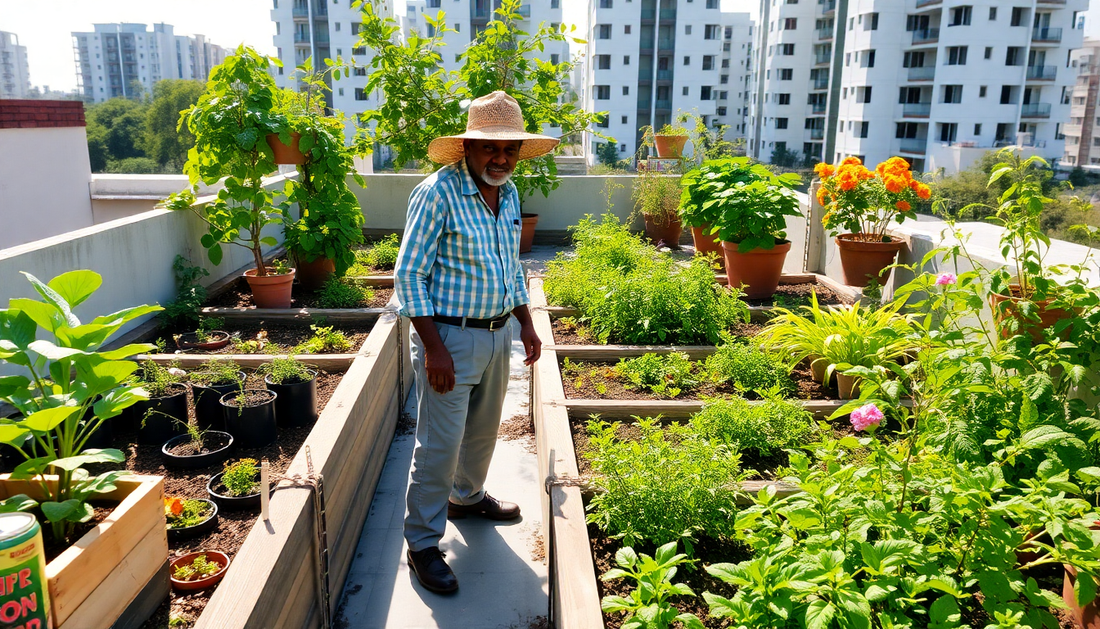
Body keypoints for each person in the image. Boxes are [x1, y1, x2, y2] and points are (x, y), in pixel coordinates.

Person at [393, 91, 558, 594]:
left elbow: (509, 267)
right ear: (467, 146)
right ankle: (422, 543)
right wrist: (434, 348)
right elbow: (409, 275)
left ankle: (466, 497)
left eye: (510, 149)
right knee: (439, 447)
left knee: (484, 432)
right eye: (490, 148)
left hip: (496, 334)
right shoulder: (437, 193)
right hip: (449, 338)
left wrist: (525, 322)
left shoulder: (508, 193)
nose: (500, 159)